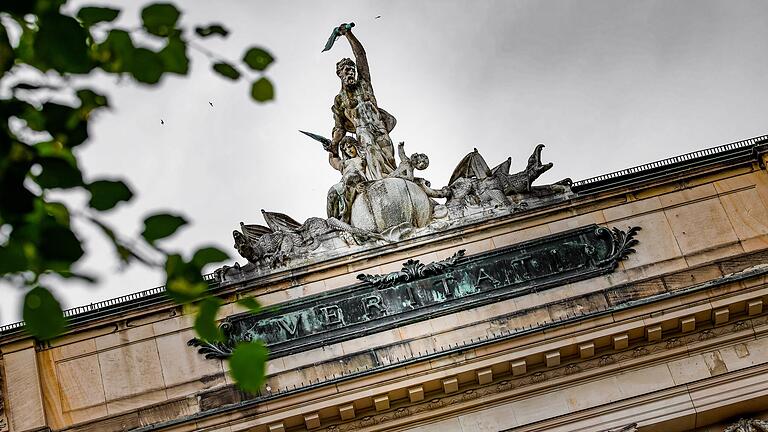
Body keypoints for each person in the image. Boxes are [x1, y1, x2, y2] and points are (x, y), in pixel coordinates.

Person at [331, 25, 397, 181]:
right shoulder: (339, 100)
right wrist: (334, 143)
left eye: (352, 69)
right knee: (372, 156)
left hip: (379, 126)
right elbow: (339, 127)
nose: (351, 72)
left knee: (390, 159)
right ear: (340, 74)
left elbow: (361, 55)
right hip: (362, 131)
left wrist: (348, 34)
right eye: (346, 70)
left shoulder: (364, 83)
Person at [326, 136, 367, 223]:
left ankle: (344, 217)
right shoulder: (344, 163)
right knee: (332, 193)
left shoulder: (363, 158)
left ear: (355, 145)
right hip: (345, 184)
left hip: (357, 181)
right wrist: (331, 149)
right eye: (345, 149)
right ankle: (332, 221)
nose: (348, 150)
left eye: (349, 146)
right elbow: (334, 161)